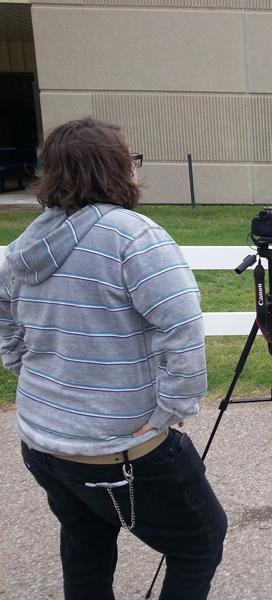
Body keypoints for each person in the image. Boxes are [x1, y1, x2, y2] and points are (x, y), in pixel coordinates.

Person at [0, 118, 227, 600]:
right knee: (200, 542)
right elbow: (183, 327)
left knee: (85, 541)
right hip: (118, 447)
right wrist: (172, 408)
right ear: (116, 168)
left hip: (43, 440)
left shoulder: (31, 239)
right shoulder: (133, 236)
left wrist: (19, 361)